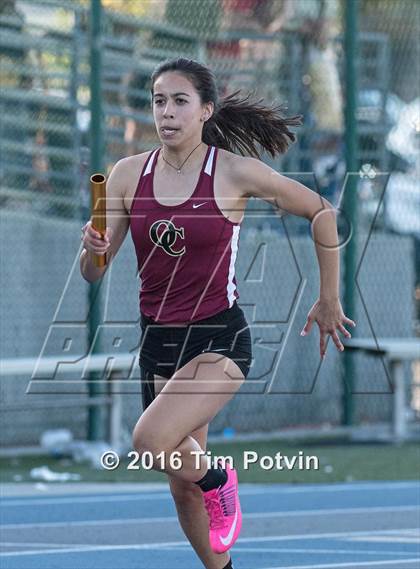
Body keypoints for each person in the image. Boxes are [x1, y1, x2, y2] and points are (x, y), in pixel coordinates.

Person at [80, 57, 356, 569]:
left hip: (218, 339)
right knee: (181, 488)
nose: (167, 111)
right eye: (159, 100)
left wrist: (329, 298)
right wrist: (93, 247)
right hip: (157, 341)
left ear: (206, 110)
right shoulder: (126, 174)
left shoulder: (232, 171)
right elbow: (94, 271)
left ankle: (219, 479)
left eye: (180, 101)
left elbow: (323, 211)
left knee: (148, 441)